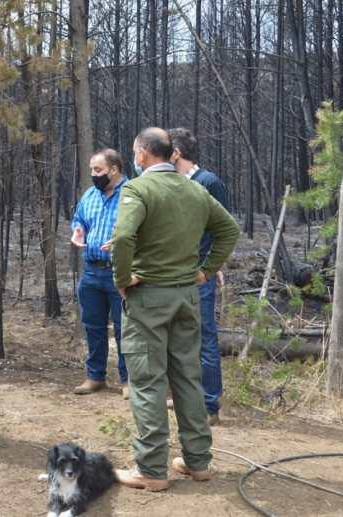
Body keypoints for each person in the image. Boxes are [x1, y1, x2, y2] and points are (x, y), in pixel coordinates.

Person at [111, 128, 239, 490]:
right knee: (187, 377)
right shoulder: (195, 189)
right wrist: (204, 270)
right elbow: (229, 230)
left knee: (147, 381)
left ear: (142, 155)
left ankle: (151, 470)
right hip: (186, 296)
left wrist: (122, 278)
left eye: (135, 152)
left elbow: (122, 238)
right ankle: (198, 463)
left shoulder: (138, 189)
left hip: (148, 297)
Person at [168, 127, 230, 426]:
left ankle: (209, 405)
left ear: (176, 153)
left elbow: (224, 230)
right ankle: (184, 395)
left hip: (198, 278)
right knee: (178, 339)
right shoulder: (168, 183)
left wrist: (211, 268)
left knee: (204, 338)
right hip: (171, 275)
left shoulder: (208, 182)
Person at [70, 149, 129, 397]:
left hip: (120, 273)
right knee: (92, 326)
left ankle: (129, 381)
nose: (94, 175)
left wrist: (121, 241)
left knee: (124, 328)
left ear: (114, 169)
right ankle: (95, 376)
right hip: (91, 271)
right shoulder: (90, 195)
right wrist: (77, 230)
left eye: (98, 170)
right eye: (92, 170)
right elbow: (78, 219)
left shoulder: (132, 194)